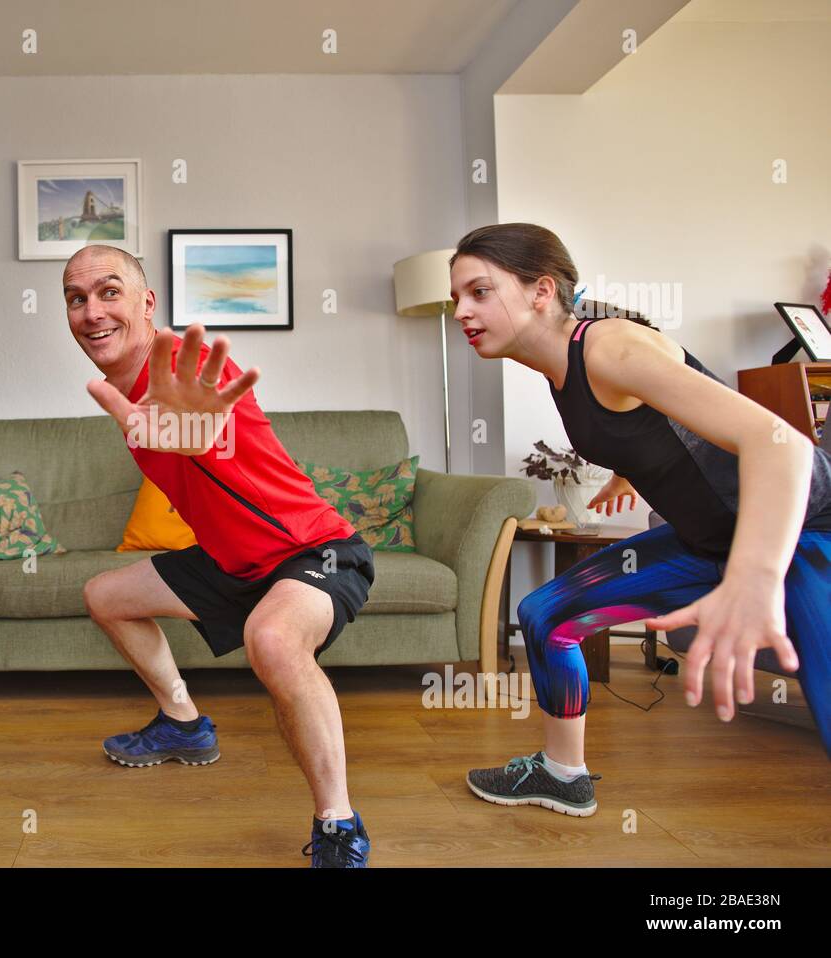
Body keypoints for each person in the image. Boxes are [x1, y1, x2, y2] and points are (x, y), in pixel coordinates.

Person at [449, 223, 831, 816]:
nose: (461, 312)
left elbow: (782, 444)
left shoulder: (608, 348)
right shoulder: (559, 368)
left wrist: (755, 578)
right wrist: (628, 469)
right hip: (711, 539)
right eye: (456, 299)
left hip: (805, 530)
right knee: (546, 615)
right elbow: (653, 419)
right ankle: (562, 775)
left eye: (478, 292)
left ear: (540, 290)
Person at [66, 244, 376, 866]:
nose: (91, 311)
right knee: (105, 596)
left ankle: (338, 823)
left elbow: (217, 425)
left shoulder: (189, 365)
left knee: (273, 639)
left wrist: (200, 435)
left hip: (316, 550)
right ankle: (182, 722)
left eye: (108, 292)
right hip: (232, 561)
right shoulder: (121, 391)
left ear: (146, 302)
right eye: (77, 299)